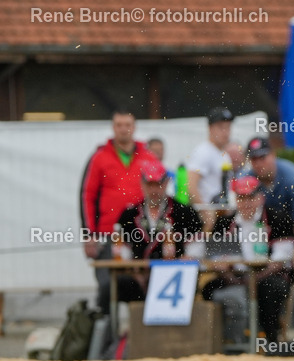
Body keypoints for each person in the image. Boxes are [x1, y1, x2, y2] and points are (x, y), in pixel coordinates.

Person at [80, 108, 159, 312]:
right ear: (113, 128)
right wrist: (89, 235)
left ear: (134, 127)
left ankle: (143, 336)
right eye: (119, 125)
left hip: (141, 235)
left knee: (146, 287)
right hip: (108, 236)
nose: (124, 130)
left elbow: (159, 194)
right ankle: (106, 338)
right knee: (108, 287)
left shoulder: (148, 157)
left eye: (128, 125)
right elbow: (87, 196)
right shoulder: (99, 157)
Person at [203, 175, 294, 345]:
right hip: (234, 276)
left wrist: (251, 280)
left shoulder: (278, 218)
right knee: (208, 288)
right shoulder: (224, 223)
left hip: (266, 276)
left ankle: (270, 340)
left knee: (270, 288)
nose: (246, 203)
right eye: (241, 197)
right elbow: (214, 258)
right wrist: (224, 271)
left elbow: (280, 262)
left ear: (260, 198)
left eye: (250, 197)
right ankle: (220, 340)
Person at [114, 162, 205, 303]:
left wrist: (182, 261)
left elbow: (196, 249)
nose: (154, 190)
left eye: (159, 184)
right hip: (138, 280)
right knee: (118, 284)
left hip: (175, 278)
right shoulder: (129, 215)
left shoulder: (184, 212)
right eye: (150, 185)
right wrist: (132, 270)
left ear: (167, 182)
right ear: (142, 184)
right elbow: (121, 253)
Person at [243, 137, 294, 232]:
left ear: (273, 155)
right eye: (254, 159)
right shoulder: (247, 179)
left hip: (291, 232)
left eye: (262, 157)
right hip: (259, 232)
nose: (258, 163)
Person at [187, 107, 235, 208]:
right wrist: (204, 211)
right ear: (210, 128)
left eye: (228, 127)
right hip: (209, 212)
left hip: (221, 211)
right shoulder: (203, 151)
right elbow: (191, 184)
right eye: (221, 127)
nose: (225, 132)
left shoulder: (223, 153)